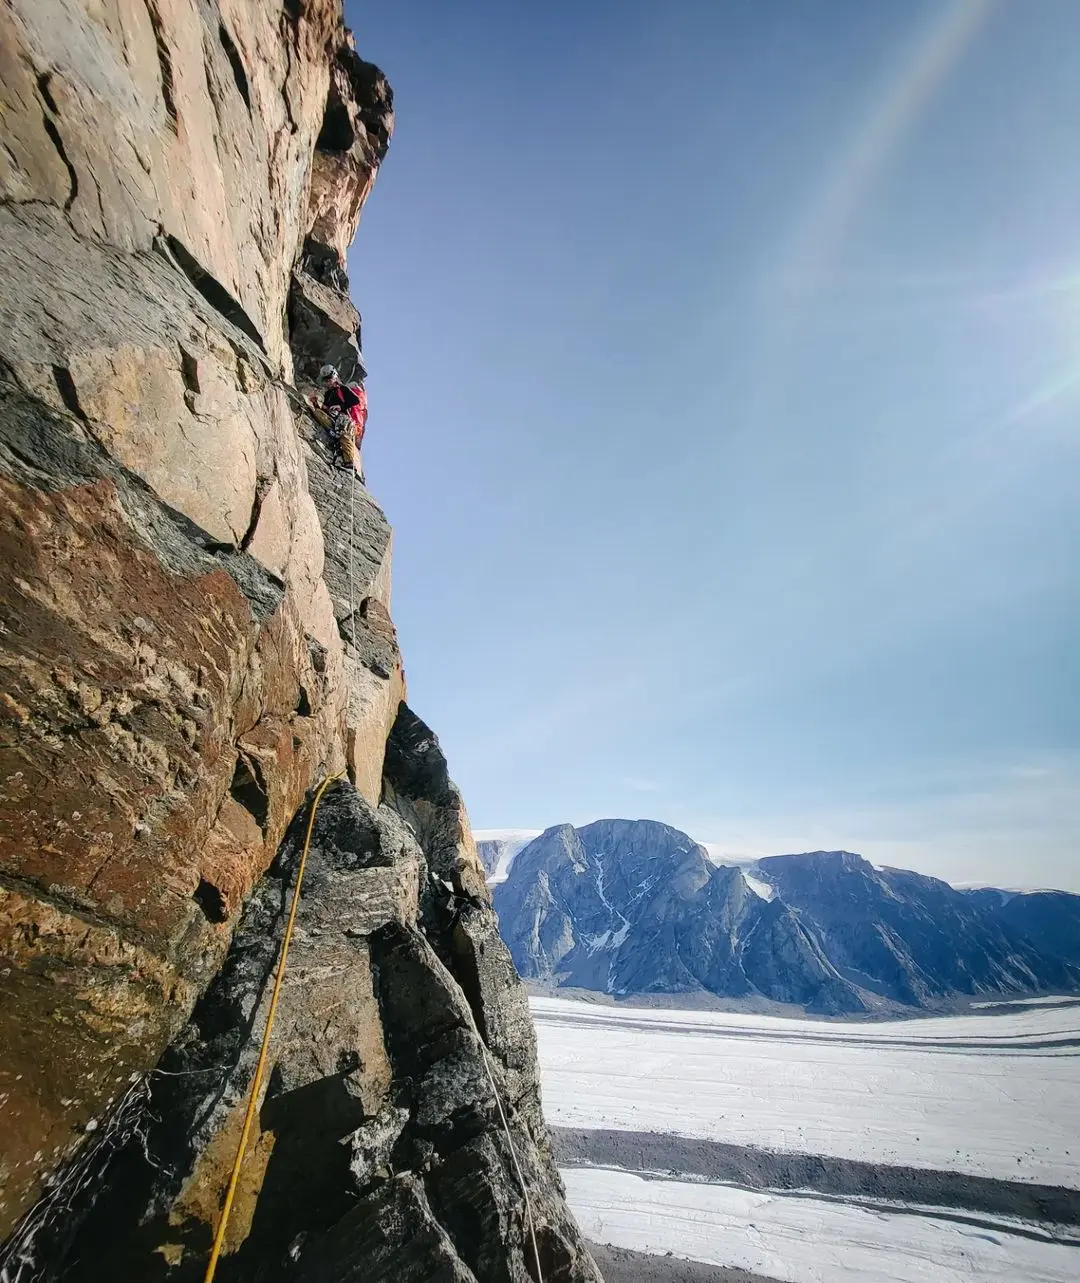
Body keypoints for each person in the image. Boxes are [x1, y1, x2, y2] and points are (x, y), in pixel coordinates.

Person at [313, 363, 367, 477]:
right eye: (326, 380)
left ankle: (349, 462)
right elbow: (325, 408)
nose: (328, 382)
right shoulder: (328, 394)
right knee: (317, 413)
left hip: (344, 419)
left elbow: (355, 401)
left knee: (344, 434)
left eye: (329, 379)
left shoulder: (342, 389)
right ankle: (333, 433)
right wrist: (316, 404)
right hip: (333, 419)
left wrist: (340, 407)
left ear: (335, 377)